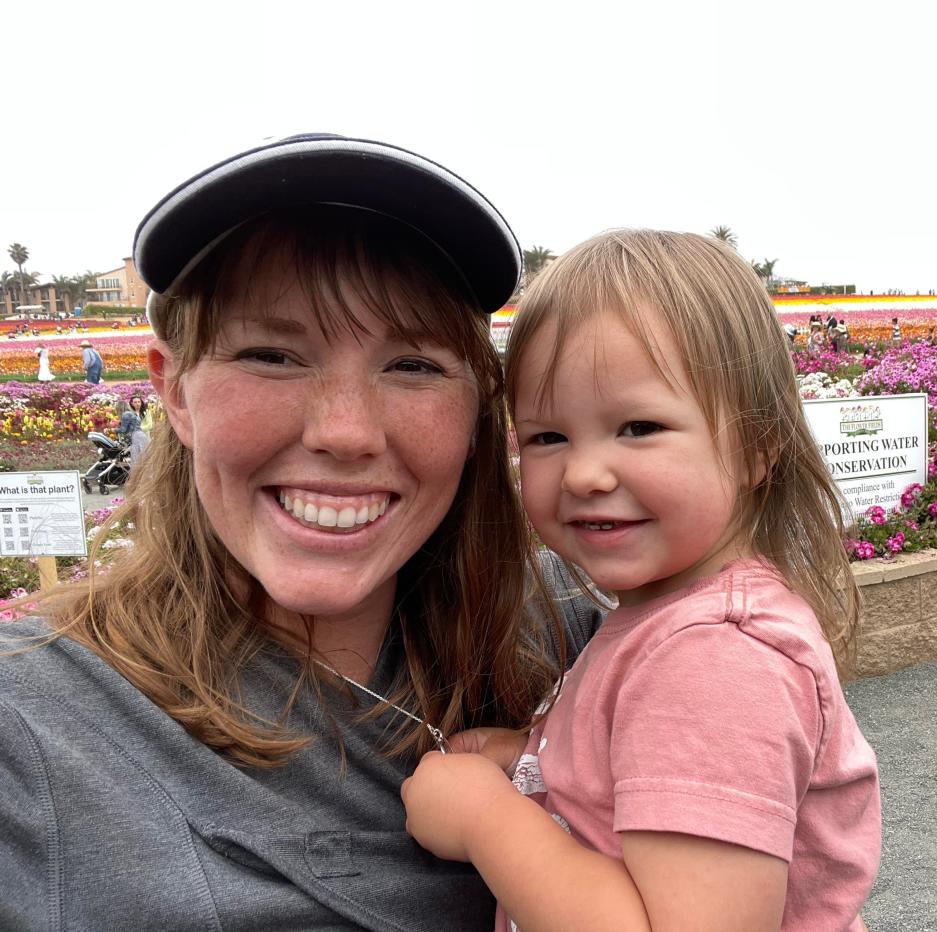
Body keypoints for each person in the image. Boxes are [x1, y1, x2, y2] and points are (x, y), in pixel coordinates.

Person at [0, 133, 602, 929]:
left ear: (479, 405)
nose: (346, 432)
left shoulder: (587, 639)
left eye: (414, 365)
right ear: (173, 390)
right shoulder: (33, 726)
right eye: (273, 355)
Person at [402, 231, 881, 931]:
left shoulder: (713, 661)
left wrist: (484, 819)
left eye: (638, 426)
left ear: (757, 443)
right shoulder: (669, 619)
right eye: (547, 437)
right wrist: (535, 759)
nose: (584, 473)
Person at [118, 396, 151, 464]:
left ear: (141, 403)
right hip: (134, 440)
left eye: (139, 402)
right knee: (136, 461)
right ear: (132, 404)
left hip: (145, 438)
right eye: (135, 402)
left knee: (146, 460)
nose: (137, 404)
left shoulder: (146, 412)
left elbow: (149, 425)